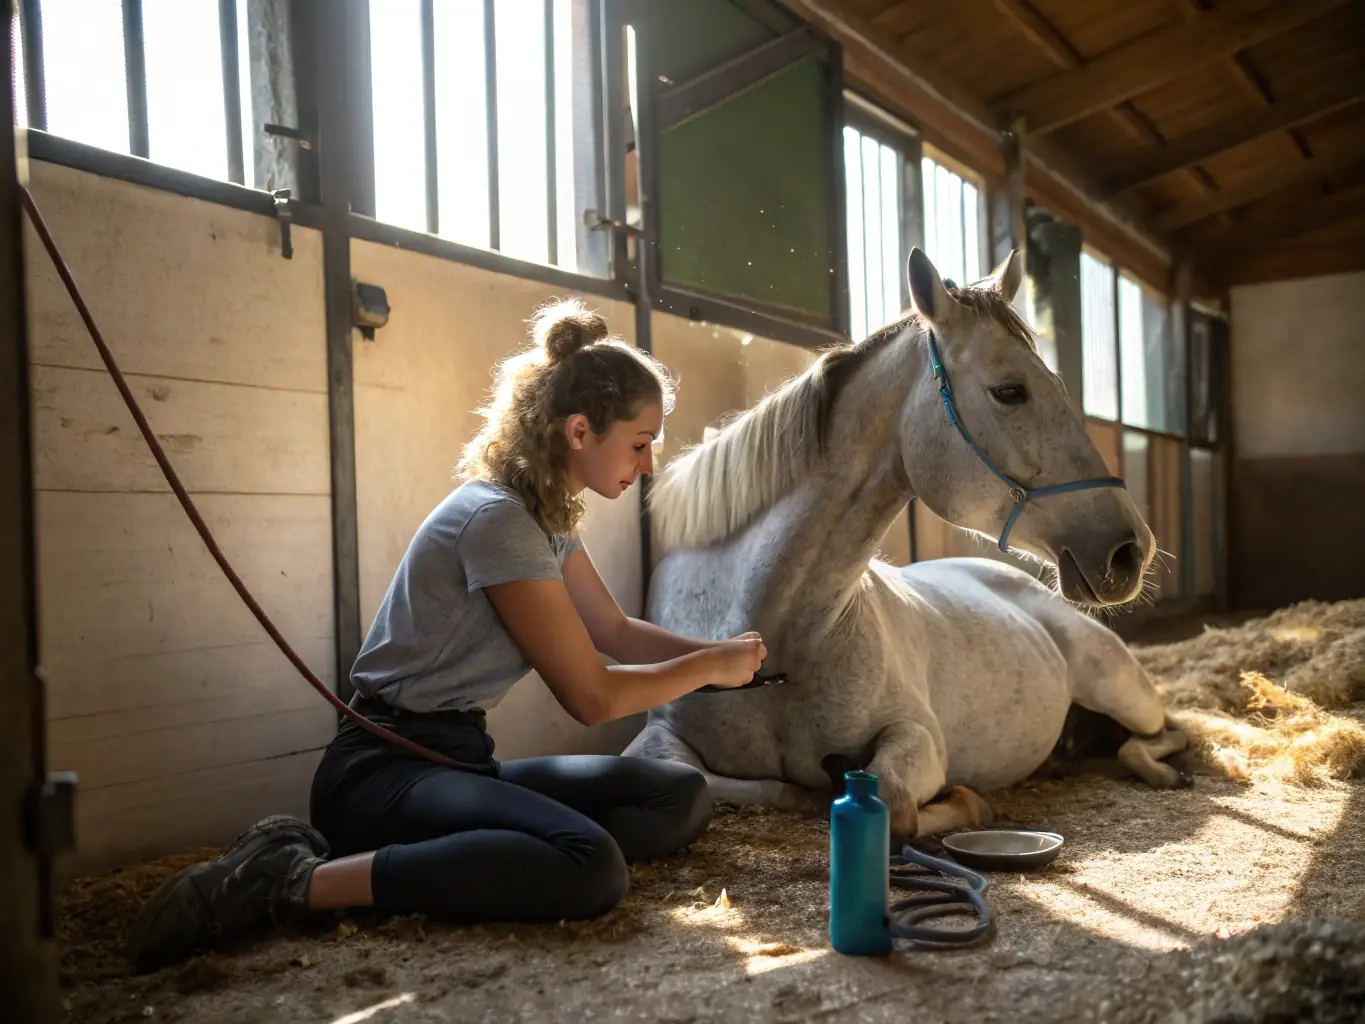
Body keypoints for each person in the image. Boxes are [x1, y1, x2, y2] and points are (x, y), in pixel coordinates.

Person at [126, 300, 766, 972]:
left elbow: (611, 630)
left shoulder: (543, 518)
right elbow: (592, 697)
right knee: (593, 868)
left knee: (677, 794)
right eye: (640, 443)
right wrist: (707, 671)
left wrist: (725, 655)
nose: (646, 464)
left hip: (459, 759)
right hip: (385, 773)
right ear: (579, 431)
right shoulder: (498, 521)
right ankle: (291, 880)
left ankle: (505, 857)